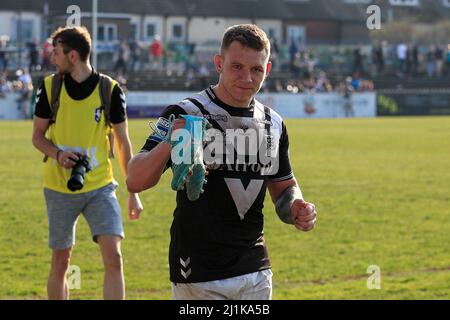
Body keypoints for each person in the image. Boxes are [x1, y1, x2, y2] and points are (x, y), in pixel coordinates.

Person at [127, 24, 317, 300]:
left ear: (268, 70)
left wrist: (297, 206)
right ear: (219, 63)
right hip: (199, 273)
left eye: (256, 69)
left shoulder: (273, 124)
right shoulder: (186, 112)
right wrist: (171, 141)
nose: (247, 78)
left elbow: (284, 187)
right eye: (237, 67)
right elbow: (135, 178)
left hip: (255, 271)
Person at [32, 26, 143, 300]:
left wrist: (133, 193)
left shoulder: (110, 90)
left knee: (114, 258)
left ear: (72, 56)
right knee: (61, 262)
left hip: (100, 187)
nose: (52, 58)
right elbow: (37, 136)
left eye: (56, 53)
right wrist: (58, 154)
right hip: (58, 187)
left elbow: (122, 144)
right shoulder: (50, 87)